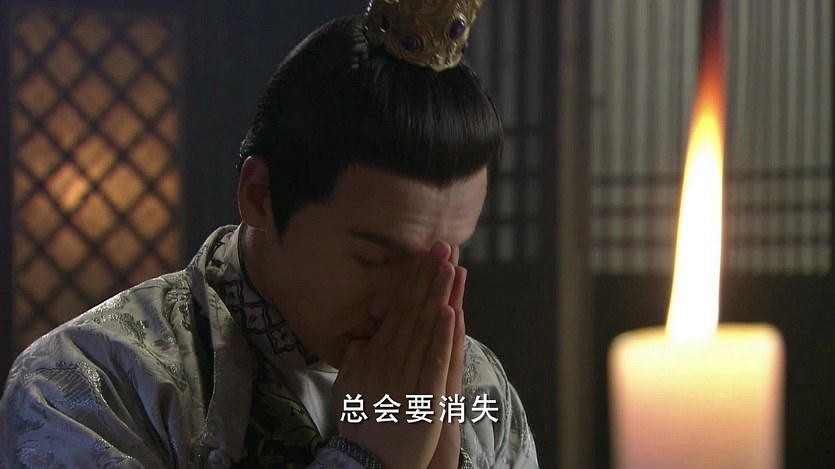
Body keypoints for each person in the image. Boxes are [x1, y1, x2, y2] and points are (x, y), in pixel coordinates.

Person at [0, 2, 539, 468]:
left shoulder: (478, 391)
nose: (407, 304)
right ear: (260, 195)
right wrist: (369, 458)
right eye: (374, 258)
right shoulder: (89, 383)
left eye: (443, 261)